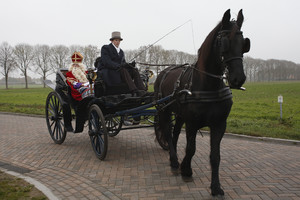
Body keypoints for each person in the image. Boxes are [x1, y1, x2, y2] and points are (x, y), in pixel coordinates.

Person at [96, 31, 146, 96]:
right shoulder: (106, 48)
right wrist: (119, 66)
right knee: (123, 69)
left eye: (119, 40)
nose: (118, 42)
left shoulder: (121, 51)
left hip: (119, 71)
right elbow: (107, 62)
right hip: (109, 71)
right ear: (112, 41)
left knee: (134, 70)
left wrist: (130, 65)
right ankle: (134, 90)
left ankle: (142, 89)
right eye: (116, 40)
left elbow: (123, 63)